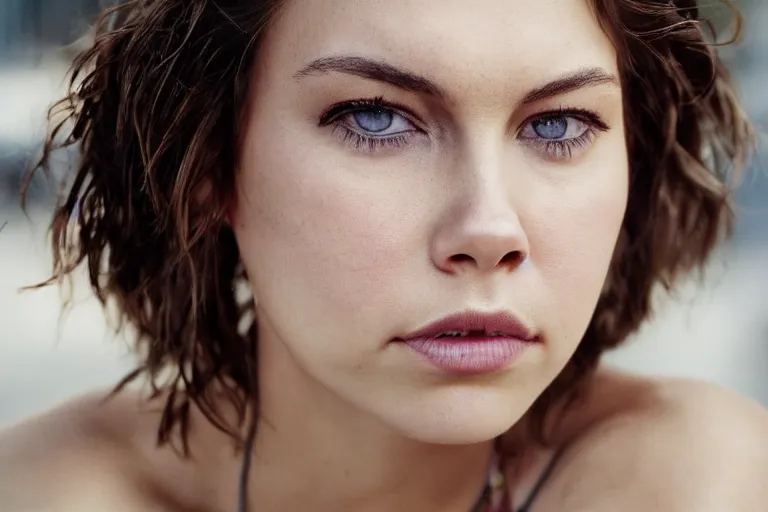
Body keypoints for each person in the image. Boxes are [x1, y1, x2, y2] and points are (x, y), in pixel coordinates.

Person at [2, 0, 767, 510]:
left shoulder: (690, 475)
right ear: (207, 167)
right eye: (375, 117)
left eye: (559, 124)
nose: (491, 229)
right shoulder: (49, 489)